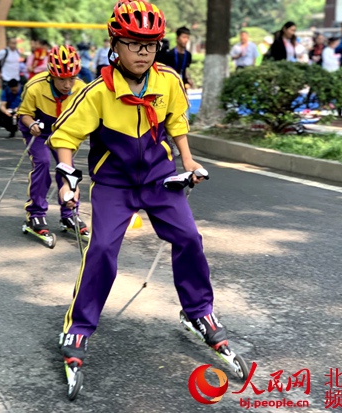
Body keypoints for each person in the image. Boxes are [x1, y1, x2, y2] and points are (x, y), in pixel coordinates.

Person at [49, 0, 228, 372]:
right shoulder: (97, 91)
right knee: (100, 249)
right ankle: (78, 327)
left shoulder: (168, 80)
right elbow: (65, 135)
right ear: (115, 44)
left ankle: (198, 312)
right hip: (114, 184)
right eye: (133, 43)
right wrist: (66, 174)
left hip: (160, 178)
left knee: (190, 239)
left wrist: (188, 160)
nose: (143, 53)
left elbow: (176, 119)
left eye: (150, 44)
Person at [17, 45, 88, 236]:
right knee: (43, 162)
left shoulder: (81, 89)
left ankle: (69, 213)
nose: (67, 85)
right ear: (51, 75)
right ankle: (36, 213)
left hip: (63, 132)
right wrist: (31, 124)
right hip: (38, 130)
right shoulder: (34, 87)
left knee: (67, 170)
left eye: (71, 78)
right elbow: (23, 113)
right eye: (62, 79)